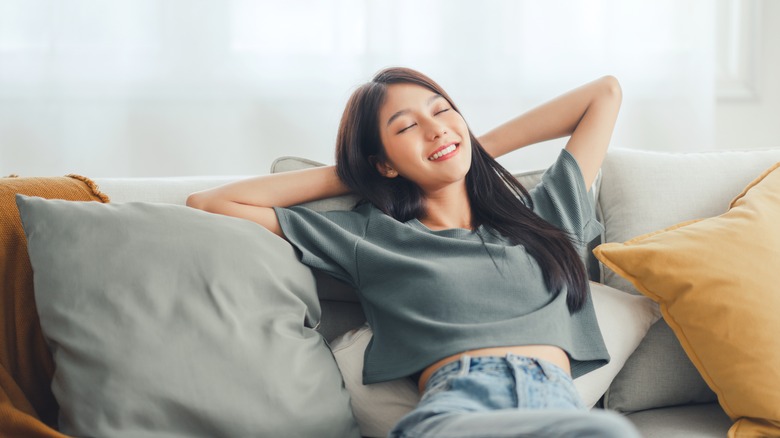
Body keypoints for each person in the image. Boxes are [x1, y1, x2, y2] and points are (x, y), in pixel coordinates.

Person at [187, 67, 640, 437]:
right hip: (458, 410)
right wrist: (358, 174)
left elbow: (604, 93)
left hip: (557, 411)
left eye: (442, 111)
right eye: (406, 127)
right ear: (383, 162)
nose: (435, 128)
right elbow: (210, 204)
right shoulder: (371, 238)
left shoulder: (548, 212)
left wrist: (473, 149)